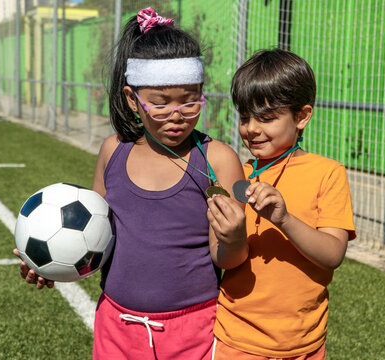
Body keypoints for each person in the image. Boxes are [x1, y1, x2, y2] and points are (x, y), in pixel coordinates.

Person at [14, 7, 248, 360]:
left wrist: (234, 237)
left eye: (190, 100)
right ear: (131, 100)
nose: (177, 114)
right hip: (116, 328)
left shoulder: (218, 160)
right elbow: (93, 236)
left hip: (194, 330)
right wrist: (53, 263)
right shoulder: (113, 151)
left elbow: (231, 258)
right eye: (160, 103)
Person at [212, 49, 356, 359]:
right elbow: (223, 259)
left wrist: (285, 218)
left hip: (304, 344)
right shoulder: (236, 173)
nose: (251, 128)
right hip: (236, 340)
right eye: (245, 117)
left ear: (302, 116)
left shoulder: (328, 173)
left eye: (267, 117)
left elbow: (333, 254)